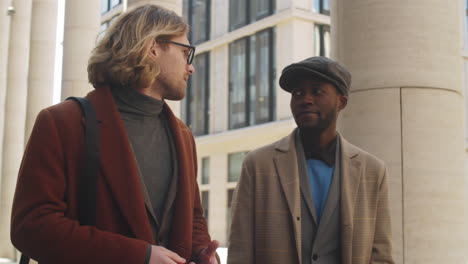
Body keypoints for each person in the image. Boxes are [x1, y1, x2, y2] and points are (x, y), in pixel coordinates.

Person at [11, 4, 218, 264]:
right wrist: (137, 256)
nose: (191, 68)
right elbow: (31, 227)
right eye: (186, 52)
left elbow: (192, 217)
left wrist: (201, 251)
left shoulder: (184, 135)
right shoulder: (63, 122)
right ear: (152, 48)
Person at [227, 56, 394, 264]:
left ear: (341, 102)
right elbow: (240, 252)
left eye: (317, 91)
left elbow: (381, 254)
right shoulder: (258, 165)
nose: (305, 99)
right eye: (298, 93)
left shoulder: (372, 171)